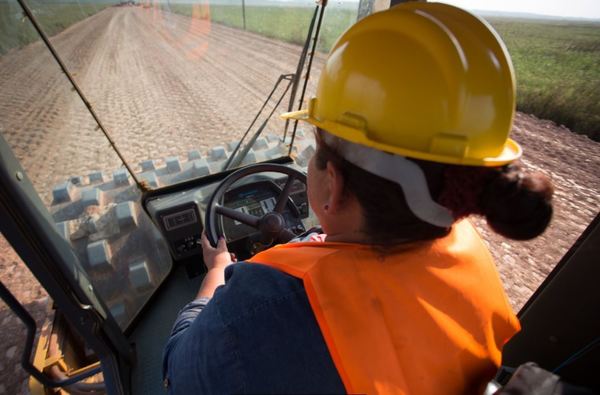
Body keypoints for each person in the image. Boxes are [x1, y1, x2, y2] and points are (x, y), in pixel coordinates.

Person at [162, 3, 553, 394]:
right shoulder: (468, 248)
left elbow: (176, 371)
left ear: (333, 183)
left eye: (315, 152)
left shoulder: (255, 311)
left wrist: (215, 271)